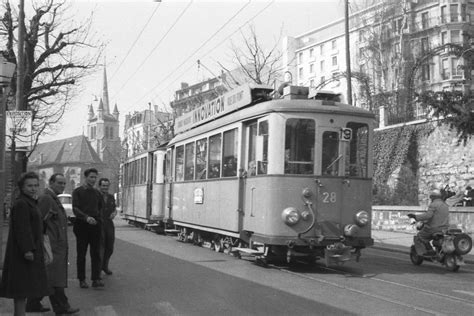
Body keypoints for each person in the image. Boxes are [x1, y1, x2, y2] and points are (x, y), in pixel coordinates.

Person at [26, 173, 80, 315]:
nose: (62, 186)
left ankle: (33, 303)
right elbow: (37, 221)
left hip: (56, 244)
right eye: (59, 183)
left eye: (64, 183)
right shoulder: (46, 198)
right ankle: (62, 306)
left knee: (49, 277)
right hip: (52, 245)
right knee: (54, 278)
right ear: (51, 183)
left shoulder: (52, 198)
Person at [0, 172, 51, 316]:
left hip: (30, 251)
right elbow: (22, 229)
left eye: (36, 185)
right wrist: (28, 250)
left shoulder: (29, 201)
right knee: (21, 290)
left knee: (23, 290)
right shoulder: (22, 203)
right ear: (22, 187)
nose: (33, 188)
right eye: (29, 186)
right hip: (24, 254)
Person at [72, 168, 104, 288]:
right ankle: (82, 279)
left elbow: (100, 207)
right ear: (85, 177)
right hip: (82, 225)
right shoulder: (78, 192)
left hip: (95, 225)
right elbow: (75, 208)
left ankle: (96, 278)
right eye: (91, 177)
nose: (93, 179)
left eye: (95, 177)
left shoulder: (97, 193)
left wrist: (98, 219)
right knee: (82, 253)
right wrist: (86, 217)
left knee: (96, 253)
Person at [407, 189, 449, 255]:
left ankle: (430, 251)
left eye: (431, 197)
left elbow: (428, 216)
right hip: (444, 228)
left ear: (433, 197)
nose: (431, 199)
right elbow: (436, 216)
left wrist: (415, 217)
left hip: (433, 228)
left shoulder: (433, 204)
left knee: (420, 236)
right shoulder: (445, 205)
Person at [98, 178, 117, 275]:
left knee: (109, 247)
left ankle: (105, 266)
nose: (105, 188)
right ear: (99, 186)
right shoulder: (96, 196)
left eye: (107, 186)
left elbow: (114, 208)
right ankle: (98, 268)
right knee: (100, 247)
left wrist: (114, 213)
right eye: (103, 186)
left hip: (109, 224)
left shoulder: (111, 197)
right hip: (99, 224)